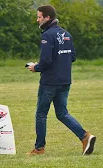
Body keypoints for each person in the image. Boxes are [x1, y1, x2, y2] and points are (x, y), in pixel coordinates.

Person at [26, 5, 96, 155]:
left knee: (41, 114)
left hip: (50, 82)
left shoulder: (47, 35)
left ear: (47, 17)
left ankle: (39, 148)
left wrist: (35, 67)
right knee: (62, 113)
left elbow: (45, 62)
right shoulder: (67, 34)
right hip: (65, 81)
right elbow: (72, 57)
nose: (37, 19)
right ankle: (85, 137)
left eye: (39, 17)